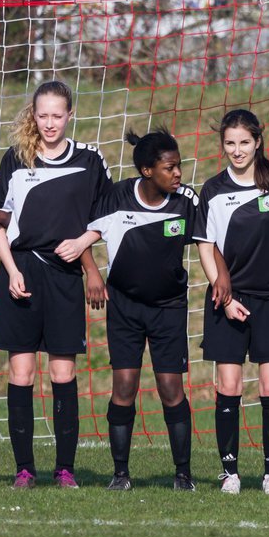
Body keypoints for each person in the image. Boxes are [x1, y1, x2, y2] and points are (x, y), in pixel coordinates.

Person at [0, 80, 111, 489]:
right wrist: (12, 270)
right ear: (34, 115)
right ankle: (24, 469)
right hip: (23, 273)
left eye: (57, 115)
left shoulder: (89, 159)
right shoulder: (16, 158)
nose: (49, 123)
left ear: (70, 115)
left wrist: (84, 242)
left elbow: (107, 214)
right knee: (21, 372)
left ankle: (65, 469)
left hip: (64, 277)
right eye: (42, 115)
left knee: (63, 373)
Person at [81, 128, 224, 492]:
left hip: (169, 309)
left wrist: (222, 277)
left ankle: (183, 475)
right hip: (125, 307)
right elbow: (84, 238)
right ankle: (120, 475)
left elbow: (208, 244)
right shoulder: (118, 196)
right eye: (170, 168)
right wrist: (94, 273)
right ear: (147, 171)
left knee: (170, 388)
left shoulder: (186, 201)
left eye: (179, 167)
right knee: (124, 386)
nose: (178, 174)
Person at [195, 108, 269, 495]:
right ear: (222, 145)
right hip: (229, 301)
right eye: (230, 143)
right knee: (229, 384)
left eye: (244, 142)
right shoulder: (211, 190)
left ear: (258, 141)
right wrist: (223, 298)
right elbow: (206, 249)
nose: (237, 151)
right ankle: (230, 473)